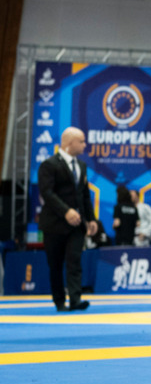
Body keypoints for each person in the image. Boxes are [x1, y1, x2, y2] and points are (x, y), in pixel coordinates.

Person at [37, 127, 94, 312]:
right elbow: (47, 192)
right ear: (70, 143)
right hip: (54, 224)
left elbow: (85, 195)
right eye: (82, 141)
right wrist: (66, 211)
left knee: (74, 260)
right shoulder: (49, 164)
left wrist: (91, 219)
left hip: (77, 225)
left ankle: (75, 299)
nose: (85, 145)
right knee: (55, 264)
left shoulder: (82, 166)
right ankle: (59, 301)